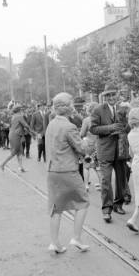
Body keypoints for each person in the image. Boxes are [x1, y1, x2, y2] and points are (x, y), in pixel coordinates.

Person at [46, 92, 90, 254]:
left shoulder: (51, 124)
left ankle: (55, 242)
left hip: (53, 171)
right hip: (68, 170)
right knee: (83, 202)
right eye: (71, 103)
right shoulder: (69, 126)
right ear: (67, 107)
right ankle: (76, 238)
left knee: (55, 208)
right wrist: (85, 142)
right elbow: (81, 148)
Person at [90, 84, 129, 223]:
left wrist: (124, 127)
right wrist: (110, 128)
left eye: (113, 94)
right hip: (105, 150)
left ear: (117, 95)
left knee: (121, 180)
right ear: (105, 97)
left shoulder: (123, 109)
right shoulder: (98, 110)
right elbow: (93, 129)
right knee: (106, 180)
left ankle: (118, 204)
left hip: (120, 150)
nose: (111, 97)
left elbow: (128, 128)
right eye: (108, 95)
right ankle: (107, 209)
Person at [0, 105, 32, 172]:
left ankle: (21, 167)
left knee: (19, 152)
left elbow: (11, 126)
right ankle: (2, 164)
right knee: (14, 152)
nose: (22, 110)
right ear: (19, 110)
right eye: (21, 109)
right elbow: (26, 125)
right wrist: (33, 132)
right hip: (16, 136)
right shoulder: (19, 116)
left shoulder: (13, 116)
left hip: (14, 135)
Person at [80, 102, 101, 192]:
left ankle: (86, 185)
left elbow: (82, 134)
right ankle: (101, 184)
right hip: (99, 145)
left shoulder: (87, 120)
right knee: (98, 166)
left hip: (89, 145)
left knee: (86, 166)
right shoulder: (101, 119)